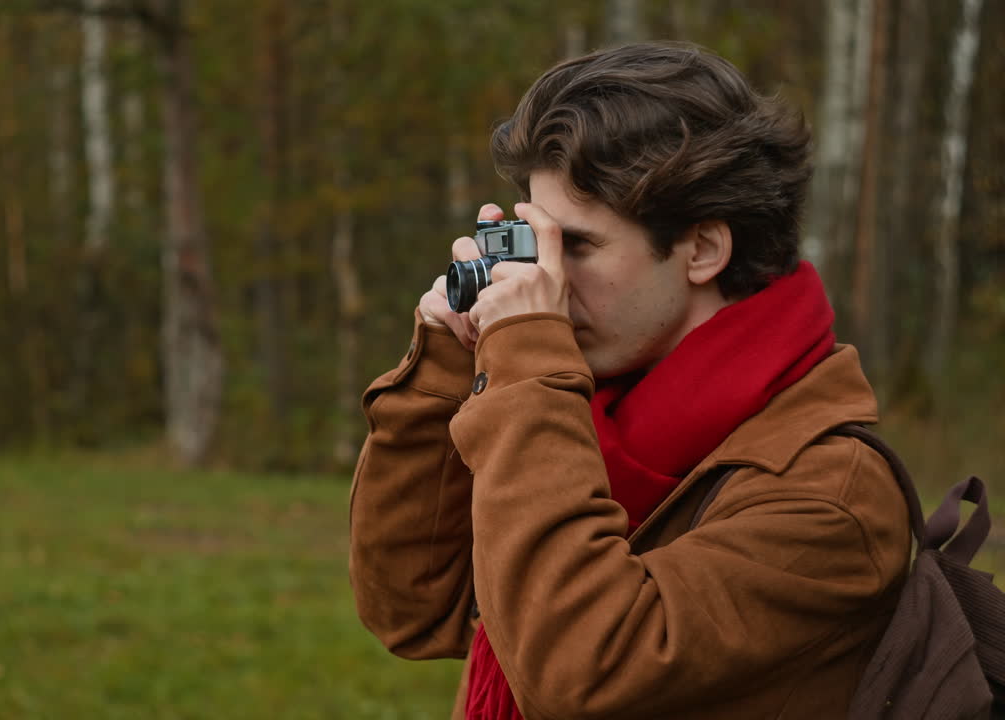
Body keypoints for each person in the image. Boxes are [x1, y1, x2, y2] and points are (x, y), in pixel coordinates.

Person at [347, 42, 911, 720]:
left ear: (702, 250)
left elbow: (579, 673)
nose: (543, 273)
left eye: (575, 245)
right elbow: (408, 605)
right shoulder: (594, 406)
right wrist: (447, 364)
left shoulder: (830, 497)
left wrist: (528, 373)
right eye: (535, 237)